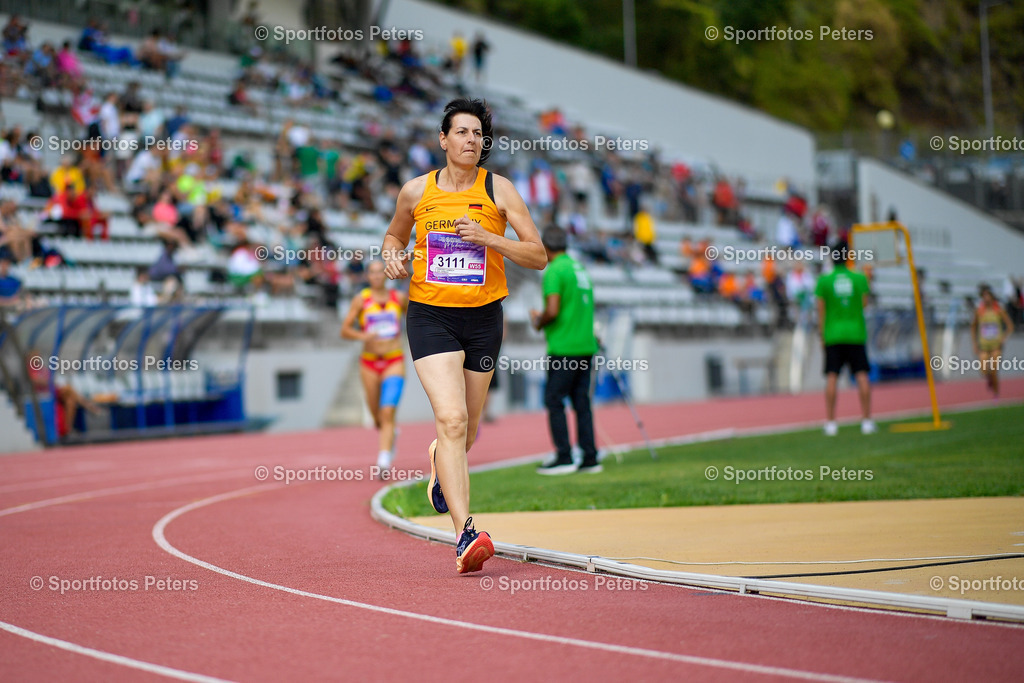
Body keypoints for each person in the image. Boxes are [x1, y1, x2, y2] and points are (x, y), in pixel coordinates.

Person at [381, 98, 546, 574]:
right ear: (443, 139)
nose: (471, 140)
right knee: (451, 419)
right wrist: (391, 256)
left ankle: (439, 458)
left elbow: (538, 255)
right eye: (462, 132)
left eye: (478, 134)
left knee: (466, 430)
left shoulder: (500, 190)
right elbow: (394, 237)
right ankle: (464, 535)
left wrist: (489, 237)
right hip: (431, 317)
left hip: (484, 320)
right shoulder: (416, 191)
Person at [530, 226, 601, 474]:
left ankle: (564, 457)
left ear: (546, 246)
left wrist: (538, 321)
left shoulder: (554, 271)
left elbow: (553, 310)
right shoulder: (579, 268)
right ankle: (590, 457)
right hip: (586, 345)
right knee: (582, 402)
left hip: (564, 347)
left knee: (554, 399)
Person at [340, 260, 407, 472]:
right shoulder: (361, 299)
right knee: (377, 416)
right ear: (368, 276)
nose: (377, 276)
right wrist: (363, 336)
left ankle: (383, 459)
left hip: (394, 360)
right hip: (369, 362)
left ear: (386, 274)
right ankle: (390, 434)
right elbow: (345, 330)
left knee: (388, 412)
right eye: (373, 272)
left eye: (380, 272)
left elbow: (416, 320)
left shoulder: (399, 298)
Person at [816, 240, 874, 436]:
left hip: (833, 333)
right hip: (855, 332)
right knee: (861, 375)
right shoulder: (859, 278)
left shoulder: (824, 280)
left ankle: (831, 423)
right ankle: (866, 421)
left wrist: (821, 334)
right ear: (848, 256)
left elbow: (821, 310)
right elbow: (864, 303)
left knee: (832, 376)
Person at [971, 284, 1014, 397]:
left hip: (996, 345)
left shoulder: (998, 310)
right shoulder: (979, 311)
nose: (986, 299)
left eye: (988, 296)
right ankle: (989, 379)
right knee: (984, 370)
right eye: (984, 296)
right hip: (984, 345)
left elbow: (1010, 326)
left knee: (994, 371)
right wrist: (974, 343)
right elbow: (973, 327)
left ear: (992, 297)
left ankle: (996, 393)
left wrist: (1003, 338)